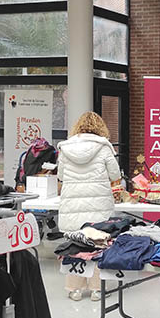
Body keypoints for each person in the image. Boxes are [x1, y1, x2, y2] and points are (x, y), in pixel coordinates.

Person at [57, 112, 121, 301]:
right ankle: (96, 289)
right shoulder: (103, 147)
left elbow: (60, 175)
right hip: (98, 204)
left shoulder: (65, 148)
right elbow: (115, 173)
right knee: (98, 245)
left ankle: (74, 289)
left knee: (74, 245)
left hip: (72, 204)